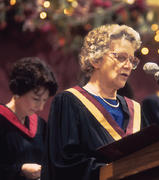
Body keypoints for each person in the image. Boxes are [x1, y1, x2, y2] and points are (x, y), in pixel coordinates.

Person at [41, 24, 148, 180]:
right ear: (96, 59)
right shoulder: (69, 102)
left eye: (132, 60)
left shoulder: (135, 110)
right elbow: (63, 164)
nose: (128, 66)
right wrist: (113, 171)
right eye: (121, 57)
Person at [0, 57, 58, 180]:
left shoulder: (40, 125)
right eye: (36, 99)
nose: (41, 107)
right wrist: (20, 171)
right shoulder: (2, 119)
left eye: (44, 100)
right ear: (19, 90)